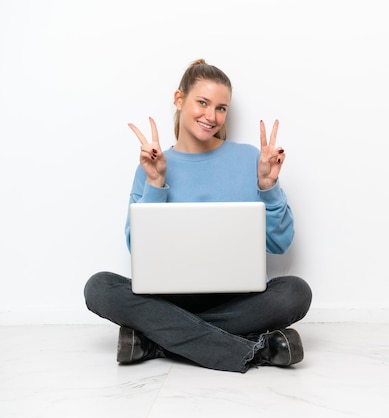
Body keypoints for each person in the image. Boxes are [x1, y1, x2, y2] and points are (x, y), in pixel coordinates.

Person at [83, 59, 312, 373]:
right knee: (98, 287)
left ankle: (155, 340)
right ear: (179, 100)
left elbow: (280, 243)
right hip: (171, 299)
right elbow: (139, 249)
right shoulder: (152, 166)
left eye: (221, 108)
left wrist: (268, 186)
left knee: (295, 293)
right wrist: (155, 183)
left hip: (236, 299)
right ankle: (254, 351)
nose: (211, 116)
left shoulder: (250, 160)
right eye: (202, 103)